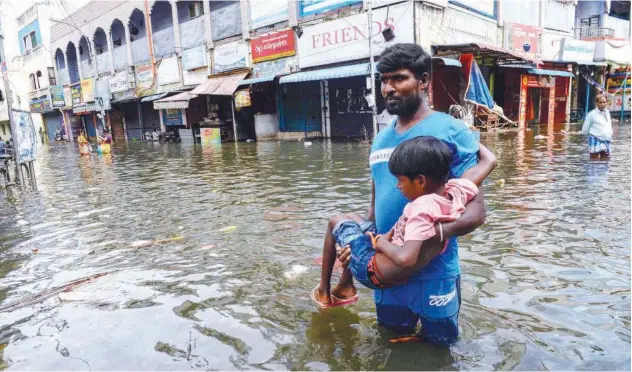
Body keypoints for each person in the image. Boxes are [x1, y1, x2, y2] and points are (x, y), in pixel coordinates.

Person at [321, 43, 488, 345]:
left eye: (398, 79)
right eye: (384, 81)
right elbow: (375, 212)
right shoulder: (380, 139)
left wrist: (418, 241)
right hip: (387, 274)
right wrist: (360, 246)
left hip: (433, 273)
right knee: (391, 342)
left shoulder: (452, 131)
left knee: (439, 349)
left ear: (423, 81)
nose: (388, 88)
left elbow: (476, 212)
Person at [312, 137, 495, 324]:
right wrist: (467, 138)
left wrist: (380, 242)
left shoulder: (420, 209)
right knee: (352, 217)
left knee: (335, 221)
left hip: (371, 270)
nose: (397, 186)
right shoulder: (455, 191)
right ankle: (345, 285)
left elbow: (405, 259)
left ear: (421, 181)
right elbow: (489, 161)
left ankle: (324, 293)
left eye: (400, 180)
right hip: (388, 264)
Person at [582, 94, 613, 160]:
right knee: (594, 160)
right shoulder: (592, 114)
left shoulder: (607, 112)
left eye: (604, 102)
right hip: (595, 139)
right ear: (596, 103)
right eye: (600, 102)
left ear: (606, 103)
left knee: (606, 159)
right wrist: (592, 136)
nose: (602, 104)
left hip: (606, 139)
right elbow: (585, 130)